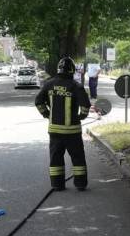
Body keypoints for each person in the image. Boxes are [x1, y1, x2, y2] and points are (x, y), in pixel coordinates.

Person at [35, 56, 91, 191]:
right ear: (72, 70)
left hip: (55, 130)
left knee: (56, 158)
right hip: (72, 131)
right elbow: (85, 105)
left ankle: (57, 184)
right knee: (78, 158)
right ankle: (80, 184)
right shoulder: (76, 86)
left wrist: (47, 114)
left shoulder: (49, 84)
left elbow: (38, 102)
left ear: (58, 69)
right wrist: (81, 116)